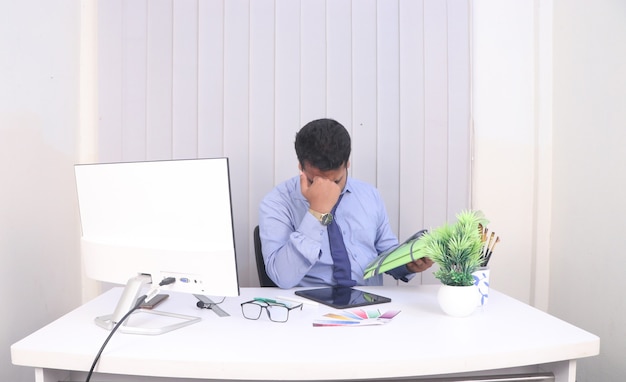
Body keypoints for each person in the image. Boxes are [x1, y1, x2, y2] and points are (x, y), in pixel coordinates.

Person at [258, 118, 433, 288]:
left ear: (347, 163)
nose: (327, 189)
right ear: (301, 167)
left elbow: (386, 253)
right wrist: (317, 212)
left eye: (335, 181)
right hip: (310, 305)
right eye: (315, 181)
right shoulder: (276, 203)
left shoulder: (369, 195)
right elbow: (282, 277)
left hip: (368, 301)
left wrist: (408, 264)